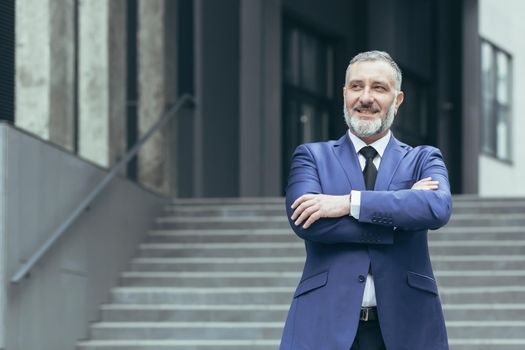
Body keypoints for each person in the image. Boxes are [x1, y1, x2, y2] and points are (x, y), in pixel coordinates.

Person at [279, 51, 452, 350]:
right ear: (344, 94)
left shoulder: (423, 158)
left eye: (379, 88)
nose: (366, 97)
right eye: (356, 87)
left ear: (397, 100)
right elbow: (306, 221)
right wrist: (401, 213)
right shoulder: (311, 157)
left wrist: (348, 203)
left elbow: (436, 208)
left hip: (408, 325)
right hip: (323, 324)